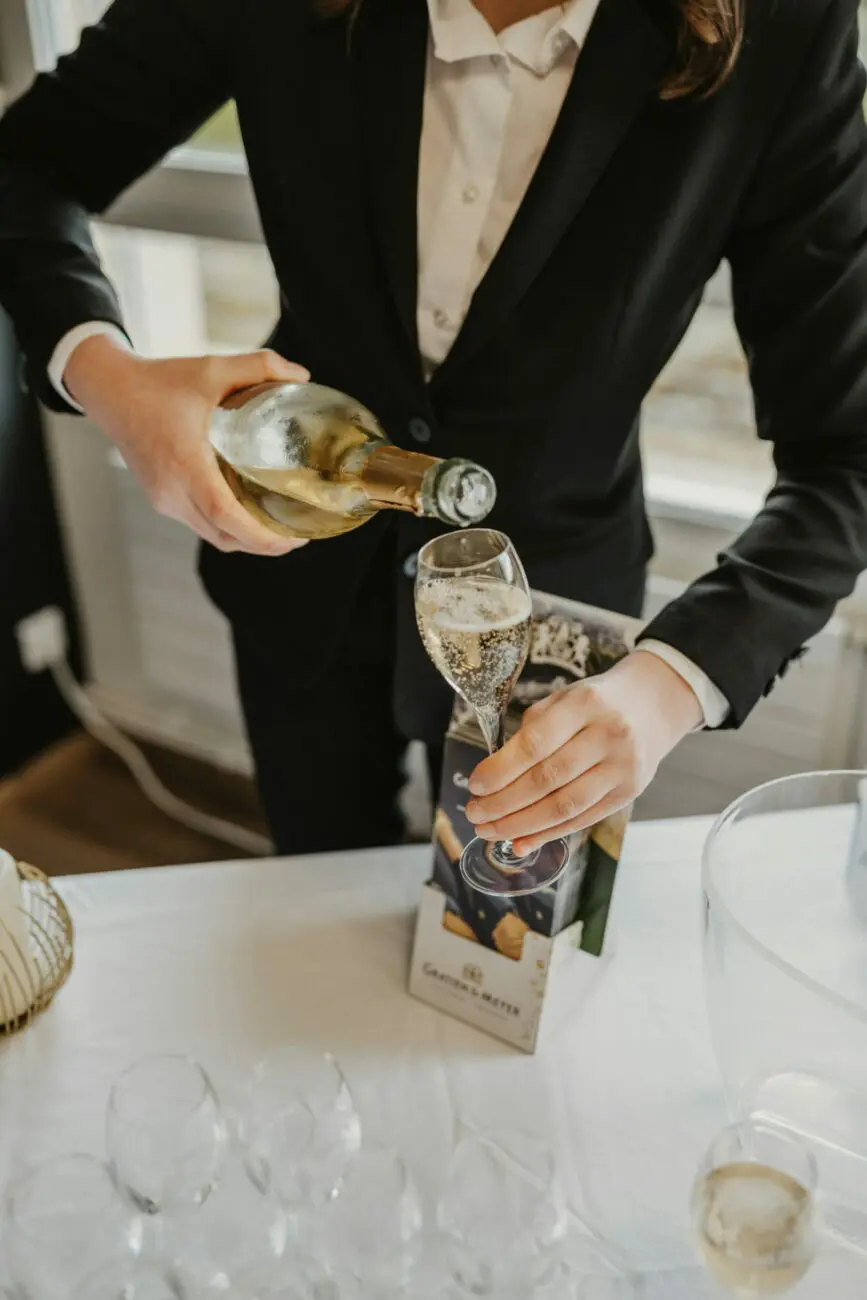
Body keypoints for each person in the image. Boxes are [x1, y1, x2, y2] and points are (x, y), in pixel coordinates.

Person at [1, 0, 867, 857]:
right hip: (297, 577)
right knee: (315, 913)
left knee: (503, 961)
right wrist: (106, 377)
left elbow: (848, 455)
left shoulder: (789, 25)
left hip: (556, 627)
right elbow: (24, 167)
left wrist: (674, 681)